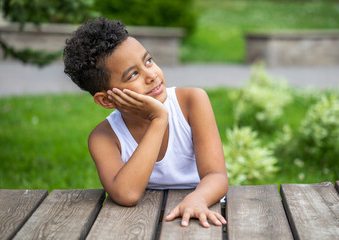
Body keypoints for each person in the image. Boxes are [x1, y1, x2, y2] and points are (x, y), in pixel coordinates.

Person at [63, 17, 228, 228]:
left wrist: (199, 199)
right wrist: (158, 119)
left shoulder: (192, 101)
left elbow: (217, 176)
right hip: (141, 222)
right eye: (132, 75)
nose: (151, 75)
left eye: (148, 61)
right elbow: (127, 194)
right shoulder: (104, 137)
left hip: (202, 210)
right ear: (106, 100)